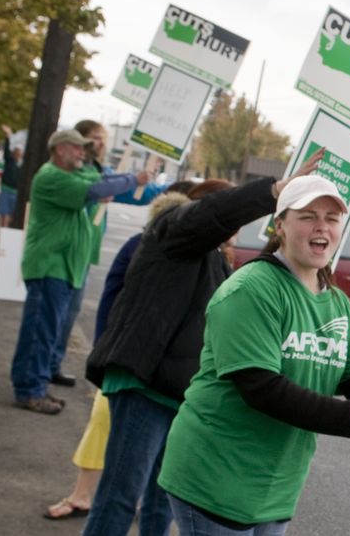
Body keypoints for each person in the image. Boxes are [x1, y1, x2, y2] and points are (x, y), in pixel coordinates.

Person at [157, 175, 350, 534]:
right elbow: (260, 387)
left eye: (331, 218)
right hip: (216, 475)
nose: (322, 227)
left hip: (277, 487)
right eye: (308, 216)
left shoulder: (336, 304)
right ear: (280, 225)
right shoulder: (250, 289)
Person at [83, 154, 322, 536]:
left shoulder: (215, 259)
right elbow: (210, 217)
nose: (235, 227)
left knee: (162, 500)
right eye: (230, 217)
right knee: (120, 495)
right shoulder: (173, 231)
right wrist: (273, 191)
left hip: (179, 394)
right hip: (145, 386)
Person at [44, 181, 195, 521]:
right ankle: (81, 493)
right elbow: (112, 298)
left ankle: (98, 499)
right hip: (131, 370)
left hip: (173, 385)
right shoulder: (144, 246)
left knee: (155, 484)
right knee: (105, 433)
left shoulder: (210, 258)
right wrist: (103, 355)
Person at [9, 129, 150, 415]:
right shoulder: (51, 176)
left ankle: (34, 386)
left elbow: (98, 181)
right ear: (60, 149)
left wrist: (121, 182)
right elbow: (94, 189)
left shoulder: (69, 175)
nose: (82, 153)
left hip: (61, 266)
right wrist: (134, 179)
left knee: (46, 330)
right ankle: (29, 390)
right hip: (50, 264)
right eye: (77, 148)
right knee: (41, 330)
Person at [50, 119, 162, 388]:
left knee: (68, 315)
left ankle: (53, 364)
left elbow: (138, 194)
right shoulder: (78, 172)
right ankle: (44, 368)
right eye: (95, 138)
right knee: (55, 315)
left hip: (85, 255)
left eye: (103, 138)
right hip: (65, 254)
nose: (100, 143)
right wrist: (124, 182)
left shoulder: (103, 170)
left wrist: (155, 181)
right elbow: (100, 185)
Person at [0, 123, 22, 227]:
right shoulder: (9, 160)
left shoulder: (23, 164)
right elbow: (7, 148)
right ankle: (2, 233)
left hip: (16, 192)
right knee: (4, 213)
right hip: (6, 189)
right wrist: (9, 134)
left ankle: (7, 233)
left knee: (12, 216)